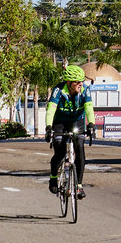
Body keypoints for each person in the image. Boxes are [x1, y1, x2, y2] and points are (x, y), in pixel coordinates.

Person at [45, 66, 93, 198]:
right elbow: (50, 110)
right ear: (68, 82)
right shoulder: (58, 90)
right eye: (77, 82)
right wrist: (49, 127)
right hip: (59, 122)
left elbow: (89, 108)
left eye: (82, 81)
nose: (80, 84)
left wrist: (92, 125)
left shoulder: (85, 90)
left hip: (77, 121)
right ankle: (53, 177)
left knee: (80, 148)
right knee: (59, 152)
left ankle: (79, 186)